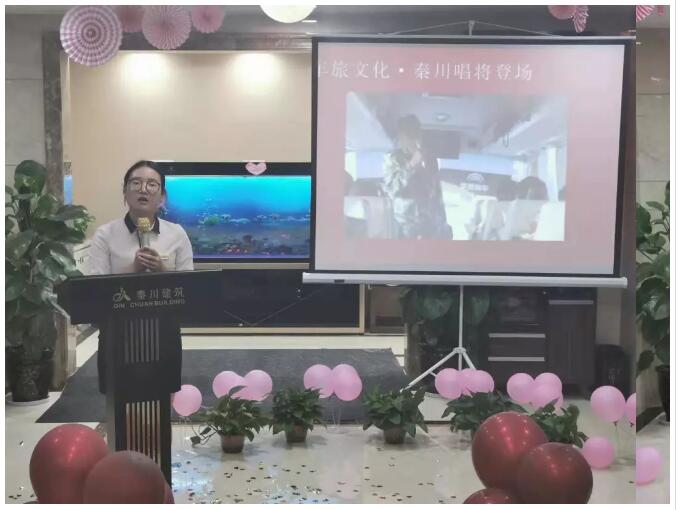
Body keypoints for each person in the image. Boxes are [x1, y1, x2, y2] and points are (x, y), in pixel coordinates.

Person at [85, 160, 194, 394]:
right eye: (135, 183)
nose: (143, 189)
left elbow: (189, 286)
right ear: (125, 192)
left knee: (161, 396)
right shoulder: (105, 234)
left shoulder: (177, 234)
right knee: (119, 398)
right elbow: (95, 289)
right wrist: (132, 271)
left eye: (152, 184)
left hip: (163, 331)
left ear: (162, 197)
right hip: (118, 332)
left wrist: (162, 271)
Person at [381, 114, 452, 240]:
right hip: (404, 224)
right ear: (401, 137)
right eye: (409, 135)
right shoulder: (393, 159)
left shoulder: (430, 159)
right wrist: (412, 164)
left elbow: (436, 193)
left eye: (416, 135)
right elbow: (392, 189)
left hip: (429, 224)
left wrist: (443, 223)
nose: (414, 140)